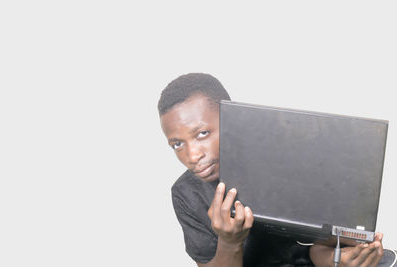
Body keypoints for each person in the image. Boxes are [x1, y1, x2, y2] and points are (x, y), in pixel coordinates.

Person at [158, 73, 394, 266]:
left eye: (202, 134)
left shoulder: (285, 159)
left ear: (232, 116)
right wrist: (229, 243)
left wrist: (338, 261)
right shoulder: (186, 194)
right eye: (177, 144)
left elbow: (321, 245)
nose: (192, 155)